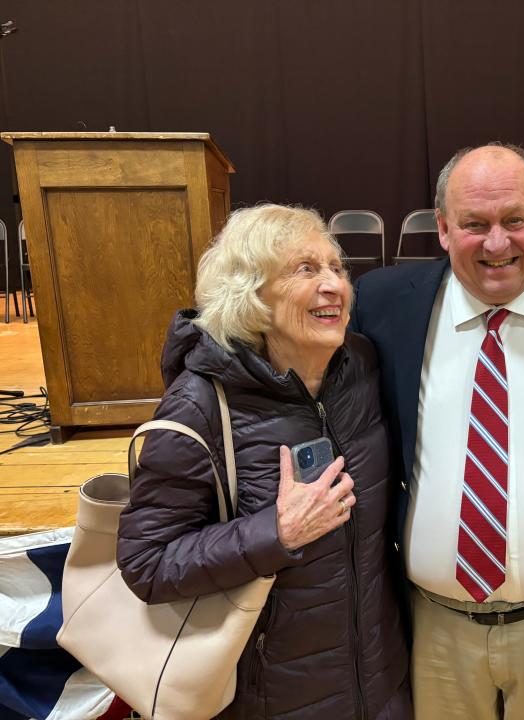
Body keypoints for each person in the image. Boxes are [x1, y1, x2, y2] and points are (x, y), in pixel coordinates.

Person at [350, 142, 524, 719]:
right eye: (475, 224)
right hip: (433, 629)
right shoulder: (384, 306)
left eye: (514, 220)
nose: (497, 243)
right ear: (443, 228)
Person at [117, 205, 411, 720]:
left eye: (336, 269)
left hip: (380, 680)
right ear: (250, 293)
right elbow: (146, 562)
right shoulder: (202, 403)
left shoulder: (361, 366)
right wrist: (275, 532)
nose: (333, 286)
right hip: (271, 698)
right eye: (305, 270)